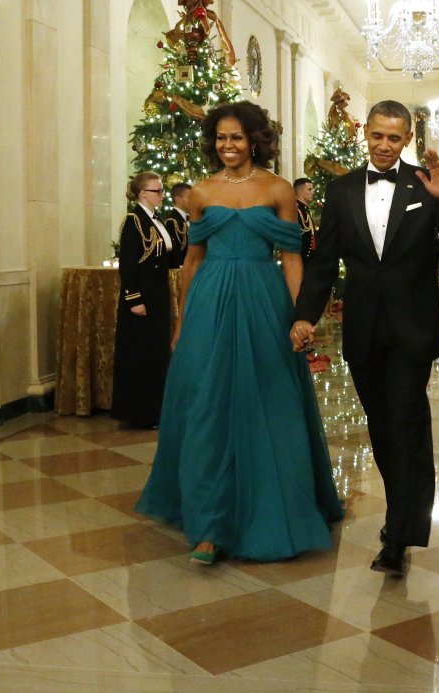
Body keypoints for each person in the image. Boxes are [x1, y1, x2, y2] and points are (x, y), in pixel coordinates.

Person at [135, 101, 343, 564]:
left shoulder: (278, 189)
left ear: (254, 140)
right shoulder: (201, 192)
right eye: (221, 138)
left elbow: (292, 259)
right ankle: (208, 525)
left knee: (266, 401)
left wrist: (301, 317)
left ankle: (272, 508)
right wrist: (182, 321)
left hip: (263, 300)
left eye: (237, 137)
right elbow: (192, 261)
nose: (228, 146)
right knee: (207, 405)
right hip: (209, 302)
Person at [291, 100, 439, 576]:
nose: (385, 146)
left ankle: (400, 534)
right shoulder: (342, 189)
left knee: (406, 422)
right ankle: (400, 515)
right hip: (363, 329)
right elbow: (323, 262)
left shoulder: (425, 184)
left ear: (407, 139)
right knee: (381, 426)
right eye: (377, 135)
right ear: (366, 134)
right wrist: (305, 315)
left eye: (394, 138)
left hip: (412, 329)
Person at [110, 171, 177, 428]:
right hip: (143, 298)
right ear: (142, 194)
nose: (161, 194)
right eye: (156, 190)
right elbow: (128, 265)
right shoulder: (134, 221)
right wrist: (134, 298)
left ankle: (157, 410)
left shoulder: (156, 219)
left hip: (158, 294)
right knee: (141, 354)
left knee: (157, 352)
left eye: (161, 190)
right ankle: (141, 413)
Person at [166, 182, 192, 264]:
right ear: (178, 199)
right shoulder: (172, 221)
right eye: (190, 197)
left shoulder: (191, 218)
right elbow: (175, 252)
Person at [294, 177, 316, 264]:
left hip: (309, 260)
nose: (313, 192)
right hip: (300, 260)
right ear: (300, 191)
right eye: (309, 189)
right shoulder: (295, 210)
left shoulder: (304, 210)